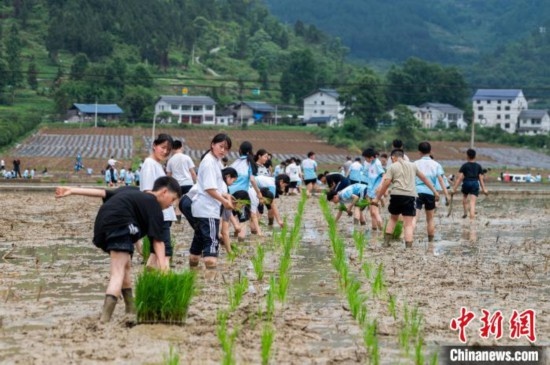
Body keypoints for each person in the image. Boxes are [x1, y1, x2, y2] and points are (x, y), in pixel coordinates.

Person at [55, 176, 182, 322]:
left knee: (126, 265)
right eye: (172, 200)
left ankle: (130, 308)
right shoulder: (154, 206)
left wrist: (71, 190)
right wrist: (164, 270)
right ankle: (104, 319)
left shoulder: (133, 191)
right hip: (119, 226)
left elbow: (103, 193)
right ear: (164, 192)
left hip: (103, 226)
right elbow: (158, 242)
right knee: (117, 273)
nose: (171, 205)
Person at [180, 133, 234, 268]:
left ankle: (193, 277)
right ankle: (210, 282)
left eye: (226, 148)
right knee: (211, 247)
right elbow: (209, 189)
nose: (223, 150)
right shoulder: (209, 162)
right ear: (212, 144)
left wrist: (226, 196)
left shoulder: (216, 161)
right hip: (208, 210)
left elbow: (213, 186)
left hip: (201, 209)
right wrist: (224, 201)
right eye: (221, 146)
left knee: (197, 246)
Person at [371, 149, 439, 248]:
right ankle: (408, 247)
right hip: (410, 196)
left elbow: (386, 183)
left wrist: (377, 198)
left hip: (396, 195)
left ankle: (386, 243)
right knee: (408, 224)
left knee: (393, 219)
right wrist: (435, 191)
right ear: (403, 156)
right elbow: (424, 178)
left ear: (393, 157)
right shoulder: (413, 166)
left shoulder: (392, 166)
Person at [140, 133, 176, 270]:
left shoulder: (156, 164)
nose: (165, 151)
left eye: (168, 150)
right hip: (158, 215)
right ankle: (165, 280)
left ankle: (149, 279)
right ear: (154, 145)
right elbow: (148, 192)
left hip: (162, 215)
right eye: (163, 147)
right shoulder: (150, 164)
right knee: (165, 253)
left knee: (155, 254)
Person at [413, 142, 450, 244]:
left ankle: (409, 239)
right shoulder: (436, 164)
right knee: (430, 219)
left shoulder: (414, 164)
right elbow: (441, 180)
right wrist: (446, 194)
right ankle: (431, 242)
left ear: (419, 152)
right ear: (430, 151)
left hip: (417, 193)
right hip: (430, 193)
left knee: (414, 218)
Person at [229, 141, 264, 239]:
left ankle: (225, 239)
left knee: (228, 217)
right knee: (242, 219)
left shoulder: (234, 163)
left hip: (229, 194)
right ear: (251, 151)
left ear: (240, 151)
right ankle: (241, 242)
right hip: (241, 194)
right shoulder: (249, 163)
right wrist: (258, 192)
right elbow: (252, 180)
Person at [452, 148, 488, 220]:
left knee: (465, 197)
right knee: (472, 203)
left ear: (467, 156)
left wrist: (454, 189)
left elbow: (460, 178)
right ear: (475, 156)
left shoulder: (465, 165)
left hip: (466, 183)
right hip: (475, 183)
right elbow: (480, 179)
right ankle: (472, 219)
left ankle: (465, 213)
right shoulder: (478, 166)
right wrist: (484, 189)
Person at [166, 139, 197, 222]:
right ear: (181, 146)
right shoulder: (187, 158)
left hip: (177, 184)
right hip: (188, 183)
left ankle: (178, 217)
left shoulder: (170, 160)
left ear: (172, 148)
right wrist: (196, 182)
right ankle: (193, 216)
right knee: (191, 200)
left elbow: (168, 175)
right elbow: (192, 172)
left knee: (177, 200)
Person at [362, 148, 385, 231]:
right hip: (371, 190)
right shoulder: (371, 163)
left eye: (366, 158)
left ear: (371, 157)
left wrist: (380, 186)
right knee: (372, 212)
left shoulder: (377, 163)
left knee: (375, 211)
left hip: (376, 190)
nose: (365, 160)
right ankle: (374, 229)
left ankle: (382, 230)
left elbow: (384, 175)